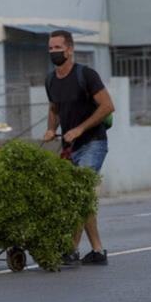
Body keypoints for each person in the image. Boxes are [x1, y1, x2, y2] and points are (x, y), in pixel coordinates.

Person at [42, 30, 115, 265]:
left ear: (70, 50)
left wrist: (80, 129)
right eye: (51, 48)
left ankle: (79, 250)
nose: (54, 52)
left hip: (93, 142)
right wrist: (51, 129)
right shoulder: (50, 80)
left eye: (58, 48)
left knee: (79, 192)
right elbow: (54, 109)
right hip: (68, 147)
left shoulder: (86, 75)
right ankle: (92, 250)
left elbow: (107, 106)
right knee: (77, 196)